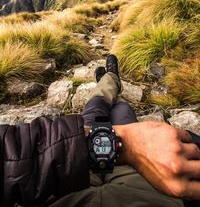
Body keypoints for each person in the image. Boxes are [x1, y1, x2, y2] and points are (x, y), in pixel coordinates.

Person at [0, 55, 200, 207]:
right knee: (122, 112)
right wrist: (128, 142)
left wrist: (124, 144)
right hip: (143, 192)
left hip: (57, 179)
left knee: (96, 109)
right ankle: (112, 84)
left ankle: (109, 81)